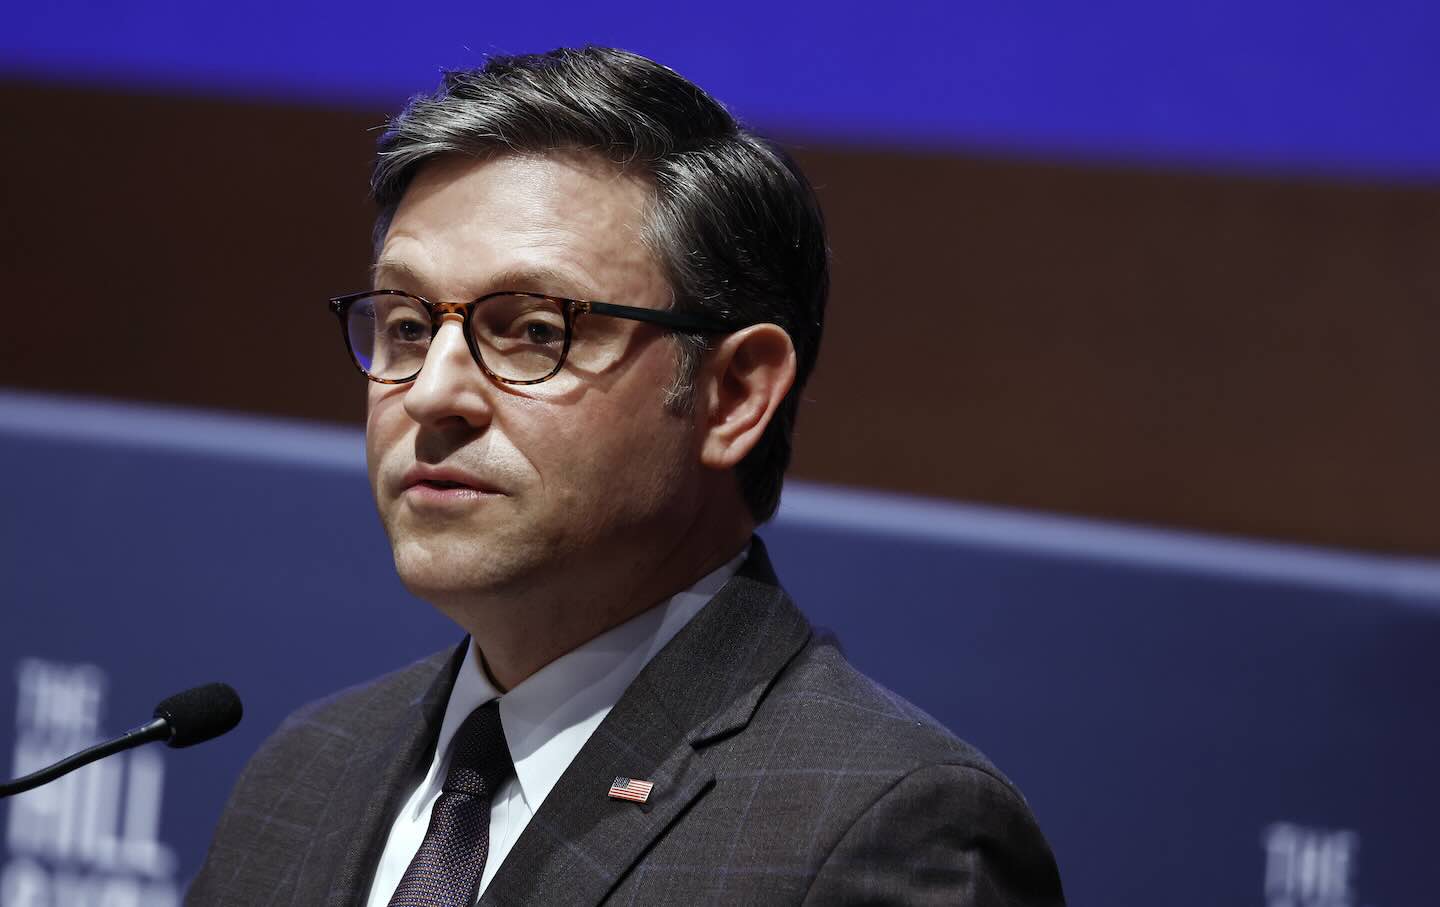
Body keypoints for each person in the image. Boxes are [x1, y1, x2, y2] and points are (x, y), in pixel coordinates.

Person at [187, 46, 1065, 906]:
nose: (433, 393)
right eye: (410, 326)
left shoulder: (887, 830)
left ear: (732, 396)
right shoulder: (303, 774)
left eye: (533, 329)